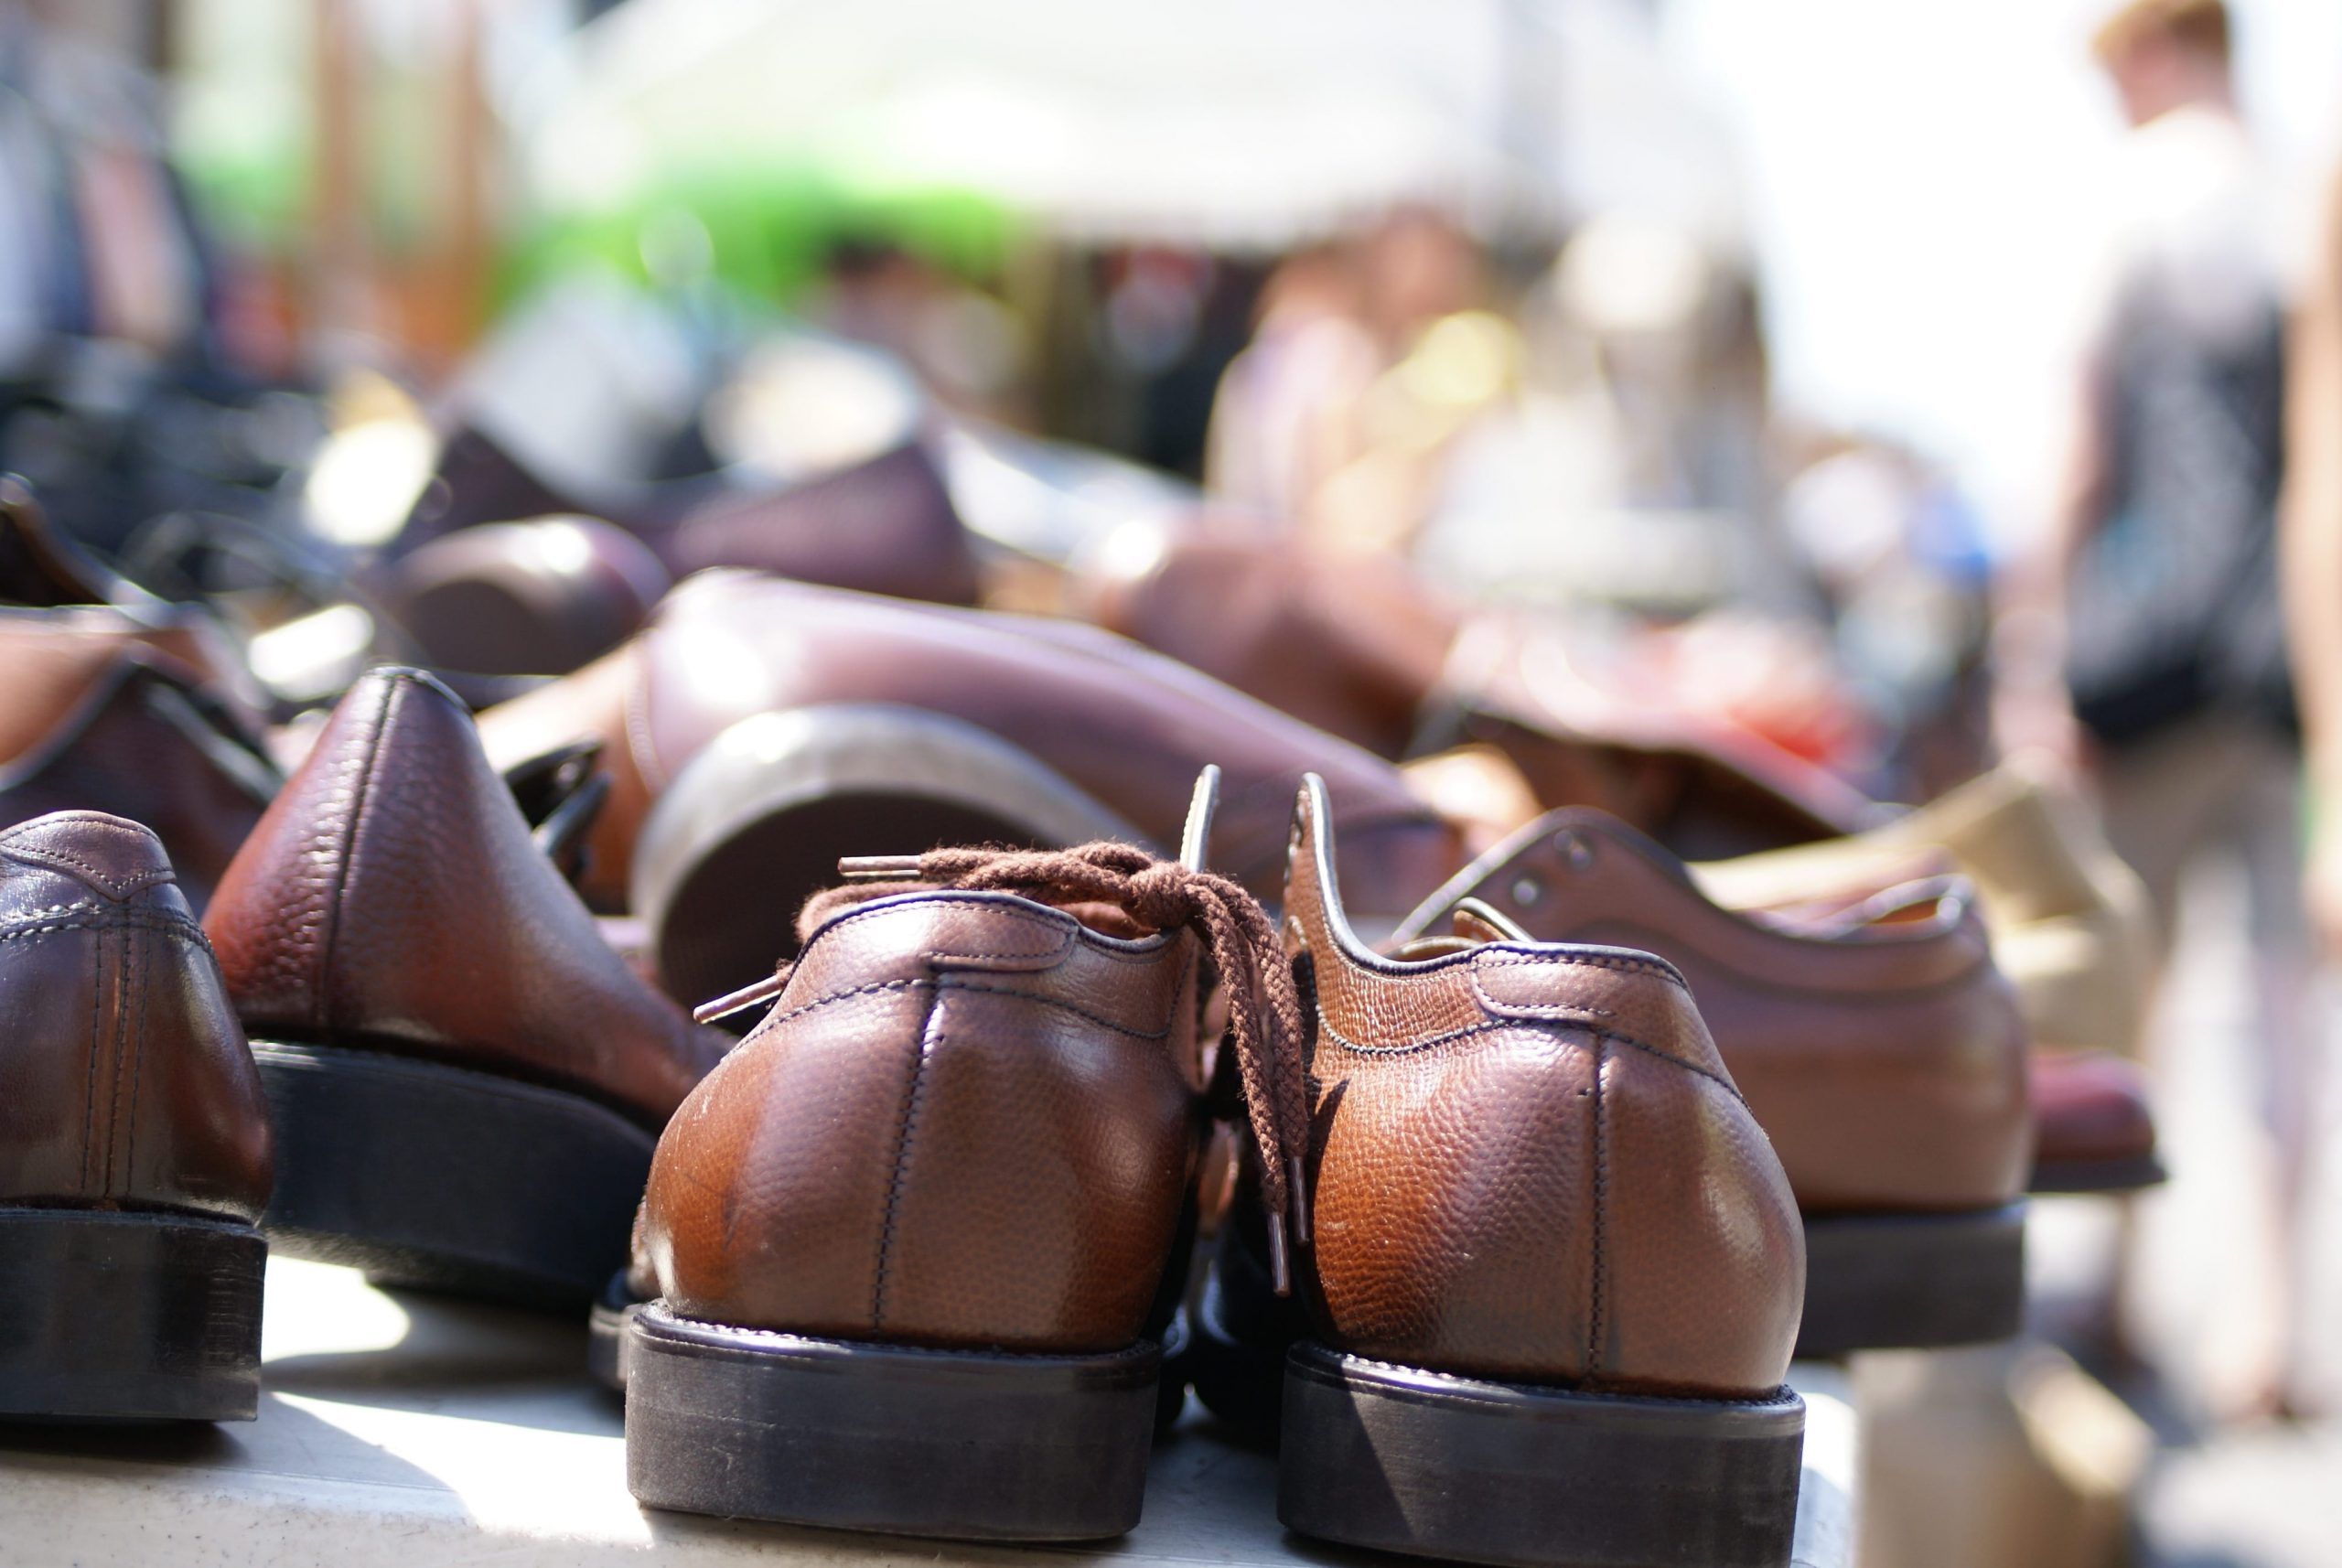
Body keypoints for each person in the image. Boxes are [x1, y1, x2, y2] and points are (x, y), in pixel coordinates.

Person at [1999, 0, 2310, 1416]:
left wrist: (2033, 647)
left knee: (2139, 977)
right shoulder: (2300, 194)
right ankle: (2272, 1324)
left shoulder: (2133, 202)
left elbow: (2076, 446)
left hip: (2153, 668)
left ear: (2155, 52)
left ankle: (2121, 1292)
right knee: (2283, 996)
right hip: (2284, 666)